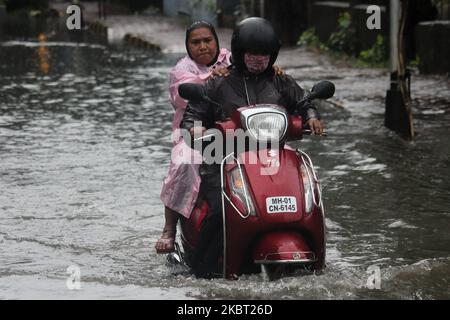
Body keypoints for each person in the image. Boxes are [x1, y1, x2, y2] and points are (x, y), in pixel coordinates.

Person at [180, 17, 324, 277]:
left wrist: (311, 116)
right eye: (253, 54)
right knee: (218, 212)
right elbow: (193, 113)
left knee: (311, 204)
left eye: (264, 54)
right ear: (239, 53)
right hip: (225, 161)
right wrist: (196, 128)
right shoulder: (218, 82)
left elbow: (302, 102)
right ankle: (202, 272)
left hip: (275, 161)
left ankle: (319, 261)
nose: (259, 59)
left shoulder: (281, 81)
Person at [156, 21, 232, 254]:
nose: (202, 47)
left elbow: (252, 75)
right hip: (192, 133)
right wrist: (211, 77)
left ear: (216, 42)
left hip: (232, 130)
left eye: (207, 41)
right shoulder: (182, 70)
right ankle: (169, 229)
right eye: (196, 42)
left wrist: (271, 70)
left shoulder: (231, 60)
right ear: (188, 47)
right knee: (183, 162)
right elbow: (181, 97)